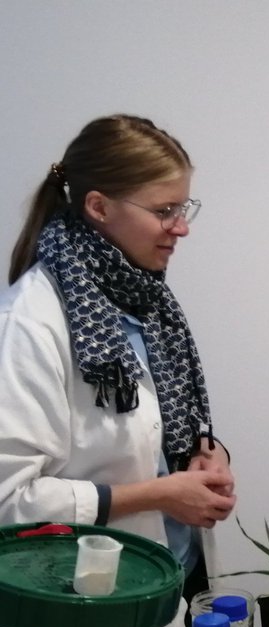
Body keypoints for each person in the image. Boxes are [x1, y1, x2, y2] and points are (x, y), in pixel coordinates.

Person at [0, 114, 235, 599]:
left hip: (177, 574)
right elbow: (9, 502)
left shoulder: (145, 299)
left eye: (184, 207)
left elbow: (150, 429)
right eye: (164, 210)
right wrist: (157, 496)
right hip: (89, 596)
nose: (182, 227)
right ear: (99, 207)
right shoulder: (29, 322)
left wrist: (209, 457)